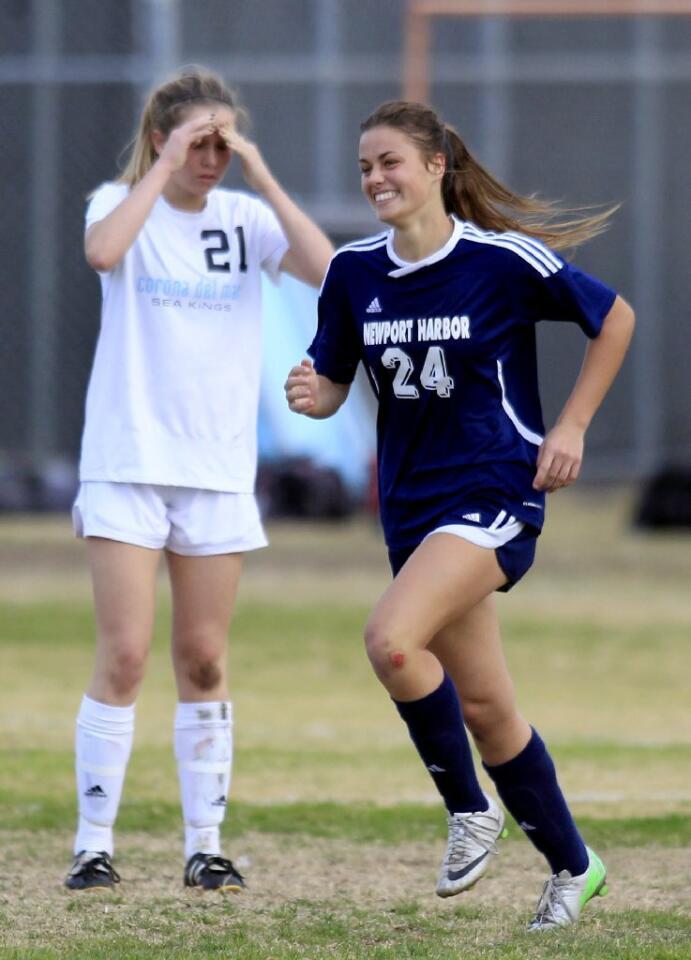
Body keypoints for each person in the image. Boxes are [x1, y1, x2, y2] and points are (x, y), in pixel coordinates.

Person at [285, 100, 634, 931]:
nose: (373, 178)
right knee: (485, 709)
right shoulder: (352, 273)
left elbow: (612, 317)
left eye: (390, 163)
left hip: (494, 493)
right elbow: (335, 381)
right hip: (410, 508)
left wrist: (573, 426)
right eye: (364, 166)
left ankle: (467, 808)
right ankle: (574, 867)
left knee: (390, 640)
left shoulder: (499, 260)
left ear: (437, 166)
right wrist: (314, 395)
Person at [65, 65, 333, 893]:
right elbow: (102, 252)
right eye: (198, 142)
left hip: (215, 471)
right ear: (161, 141)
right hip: (128, 463)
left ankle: (205, 845)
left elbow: (333, 274)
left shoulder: (246, 217)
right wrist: (162, 165)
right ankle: (92, 844)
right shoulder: (120, 206)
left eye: (224, 143)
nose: (212, 158)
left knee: (206, 658)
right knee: (125, 655)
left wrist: (261, 173)